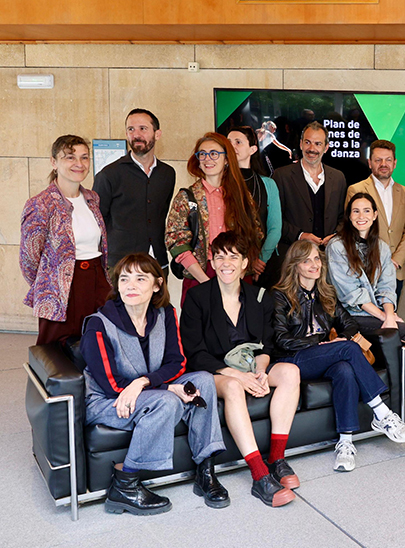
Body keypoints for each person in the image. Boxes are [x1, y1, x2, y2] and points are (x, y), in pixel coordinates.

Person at [82, 253, 227, 515]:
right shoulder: (98, 324)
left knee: (204, 380)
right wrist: (166, 388)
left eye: (140, 278)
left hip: (145, 392)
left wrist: (143, 382)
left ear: (157, 284)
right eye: (124, 279)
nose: (130, 285)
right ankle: (125, 485)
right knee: (167, 400)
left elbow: (177, 362)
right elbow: (110, 383)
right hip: (108, 401)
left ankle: (205, 471)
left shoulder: (165, 314)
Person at [180, 232, 300, 507]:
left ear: (245, 262)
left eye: (233, 257)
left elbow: (266, 345)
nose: (226, 263)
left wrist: (260, 373)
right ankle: (259, 476)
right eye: (220, 256)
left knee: (290, 372)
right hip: (215, 372)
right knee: (234, 387)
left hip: (250, 366)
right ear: (212, 261)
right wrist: (239, 376)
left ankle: (277, 459)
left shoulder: (260, 297)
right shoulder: (197, 297)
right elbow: (195, 353)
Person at [274, 240, 405, 472]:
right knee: (347, 349)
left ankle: (345, 443)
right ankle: (381, 413)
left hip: (325, 357)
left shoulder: (326, 293)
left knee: (345, 369)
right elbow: (282, 339)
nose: (314, 265)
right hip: (294, 359)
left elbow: (349, 324)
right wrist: (323, 343)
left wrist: (339, 339)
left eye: (317, 259)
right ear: (295, 265)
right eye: (306, 261)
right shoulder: (280, 296)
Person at [327, 193, 405, 422]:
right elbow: (351, 294)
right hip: (349, 315)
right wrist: (384, 317)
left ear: (374, 215)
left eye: (366, 211)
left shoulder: (381, 246)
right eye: (355, 211)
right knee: (404, 333)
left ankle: (403, 400)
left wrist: (389, 315)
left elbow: (387, 286)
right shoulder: (337, 246)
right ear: (349, 216)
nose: (361, 216)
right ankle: (398, 406)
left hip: (376, 314)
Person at [21, 135, 110, 345]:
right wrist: (50, 284)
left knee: (98, 344)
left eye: (84, 157)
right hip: (61, 289)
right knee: (57, 349)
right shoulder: (40, 204)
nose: (79, 164)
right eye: (70, 157)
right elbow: (29, 259)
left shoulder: (92, 198)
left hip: (97, 280)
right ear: (54, 162)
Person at [165, 132, 263, 304]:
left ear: (226, 159)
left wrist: (238, 274)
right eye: (202, 154)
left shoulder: (242, 196)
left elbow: (255, 234)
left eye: (214, 153)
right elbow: (176, 241)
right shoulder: (187, 197)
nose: (207, 159)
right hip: (200, 276)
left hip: (237, 275)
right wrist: (205, 281)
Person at [93, 108, 175, 270]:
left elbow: (162, 214)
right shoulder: (109, 175)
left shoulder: (167, 174)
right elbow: (96, 222)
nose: (136, 135)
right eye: (131, 129)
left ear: (157, 134)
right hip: (120, 267)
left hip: (158, 263)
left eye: (143, 129)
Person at [345, 140, 405, 297]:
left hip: (395, 271)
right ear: (370, 163)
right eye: (378, 160)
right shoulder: (356, 190)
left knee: (391, 311)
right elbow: (350, 229)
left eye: (388, 160)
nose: (383, 164)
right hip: (365, 270)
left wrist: (396, 261)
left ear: (395, 163)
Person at [273, 121, 348, 255]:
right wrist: (300, 235)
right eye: (308, 142)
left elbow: (344, 217)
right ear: (301, 144)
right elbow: (274, 219)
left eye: (318, 144)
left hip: (330, 255)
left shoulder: (338, 178)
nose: (312, 149)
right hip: (293, 255)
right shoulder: (282, 176)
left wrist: (336, 236)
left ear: (326, 147)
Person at [227, 126, 283, 287]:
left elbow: (275, 228)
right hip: (228, 263)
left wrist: (260, 260)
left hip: (263, 264)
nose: (232, 146)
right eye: (228, 142)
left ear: (253, 149)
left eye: (238, 142)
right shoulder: (220, 181)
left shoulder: (268, 184)